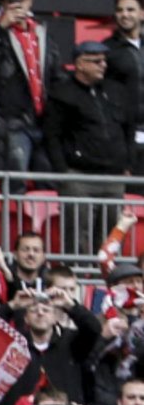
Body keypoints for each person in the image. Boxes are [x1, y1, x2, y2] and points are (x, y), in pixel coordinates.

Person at [44, 40, 131, 254]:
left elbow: (127, 128)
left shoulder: (115, 90)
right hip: (78, 175)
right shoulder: (62, 93)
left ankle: (107, 278)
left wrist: (127, 162)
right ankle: (75, 276)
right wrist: (62, 171)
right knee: (77, 231)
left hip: (113, 175)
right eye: (96, 61)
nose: (103, 65)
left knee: (111, 231)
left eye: (104, 61)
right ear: (79, 64)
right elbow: (52, 135)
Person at [0, 0, 61, 178]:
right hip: (13, 120)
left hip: (44, 118)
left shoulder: (42, 32)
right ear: (3, 5)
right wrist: (0, 28)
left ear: (30, 2)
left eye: (21, 0)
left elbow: (55, 70)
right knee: (16, 175)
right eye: (10, 1)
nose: (17, 5)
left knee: (47, 177)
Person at [105, 0, 144, 179]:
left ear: (142, 14)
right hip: (124, 133)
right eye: (120, 10)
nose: (124, 14)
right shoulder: (106, 50)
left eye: (130, 10)